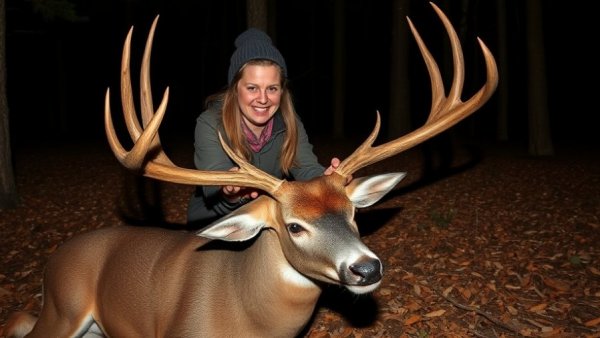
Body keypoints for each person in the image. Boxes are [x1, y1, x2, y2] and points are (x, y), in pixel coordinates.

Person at [187, 27, 343, 225]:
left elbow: (306, 169)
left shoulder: (290, 123)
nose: (263, 99)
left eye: (272, 89)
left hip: (267, 220)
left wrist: (327, 179)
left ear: (281, 91)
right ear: (235, 89)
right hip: (214, 223)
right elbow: (214, 188)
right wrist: (231, 191)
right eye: (252, 88)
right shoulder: (209, 123)